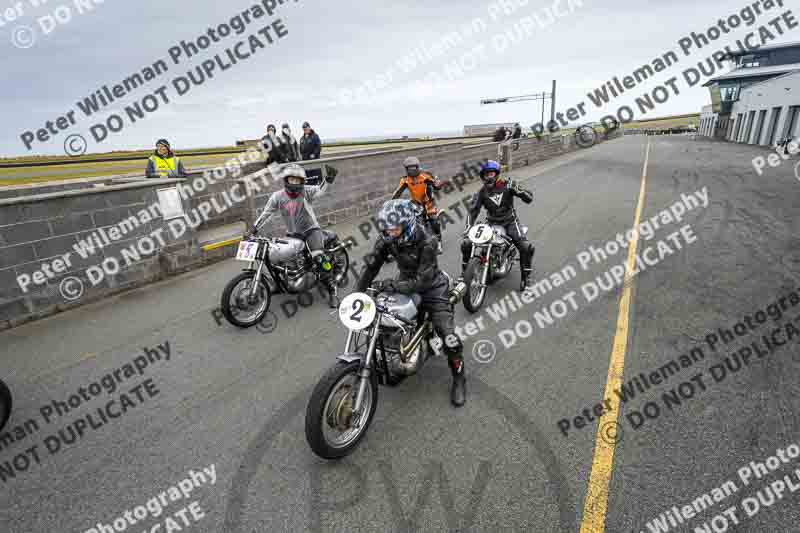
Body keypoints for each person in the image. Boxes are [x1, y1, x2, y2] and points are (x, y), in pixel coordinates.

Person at [356, 199, 466, 407]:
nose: (388, 231)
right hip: (404, 281)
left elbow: (422, 281)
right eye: (385, 227)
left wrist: (390, 285)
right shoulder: (387, 239)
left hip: (432, 286)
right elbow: (371, 266)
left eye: (393, 227)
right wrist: (357, 294)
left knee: (448, 335)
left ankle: (459, 377)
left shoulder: (428, 241)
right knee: (384, 320)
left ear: (406, 224)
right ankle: (394, 355)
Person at [250, 163, 340, 307]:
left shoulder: (306, 192)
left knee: (319, 258)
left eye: (298, 180)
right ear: (286, 180)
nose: (295, 183)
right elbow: (267, 213)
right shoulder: (277, 197)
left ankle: (332, 289)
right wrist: (253, 228)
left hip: (311, 230)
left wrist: (328, 180)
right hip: (293, 233)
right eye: (292, 180)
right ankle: (279, 284)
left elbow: (320, 191)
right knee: (276, 256)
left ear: (302, 182)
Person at [460, 160, 535, 292]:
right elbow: (473, 211)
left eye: (491, 173)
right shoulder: (481, 192)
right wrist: (468, 227)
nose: (489, 176)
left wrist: (519, 190)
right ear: (482, 176)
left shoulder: (508, 185)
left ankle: (527, 278)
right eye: (486, 174)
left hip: (510, 221)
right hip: (491, 223)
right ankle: (464, 274)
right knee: (466, 243)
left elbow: (529, 198)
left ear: (497, 174)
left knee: (525, 246)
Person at [391, 156, 444, 253]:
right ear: (406, 169)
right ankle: (420, 242)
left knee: (434, 221)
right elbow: (398, 192)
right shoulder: (405, 180)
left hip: (429, 202)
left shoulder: (426, 175)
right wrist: (391, 202)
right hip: (416, 204)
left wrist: (437, 184)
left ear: (417, 167)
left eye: (414, 168)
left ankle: (439, 242)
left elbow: (437, 184)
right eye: (409, 168)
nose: (412, 171)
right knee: (417, 223)